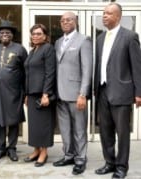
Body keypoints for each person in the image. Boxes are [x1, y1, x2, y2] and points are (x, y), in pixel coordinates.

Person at [94, 3, 141, 179]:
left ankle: (121, 167)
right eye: (103, 13)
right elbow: (99, 65)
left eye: (108, 13)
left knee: (122, 133)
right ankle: (109, 163)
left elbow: (137, 67)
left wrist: (139, 92)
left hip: (121, 92)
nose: (104, 16)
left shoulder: (130, 36)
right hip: (103, 91)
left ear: (118, 16)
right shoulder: (100, 38)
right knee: (105, 132)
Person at [53, 11, 92, 175]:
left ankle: (80, 158)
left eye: (68, 19)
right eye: (62, 20)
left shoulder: (83, 40)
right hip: (60, 94)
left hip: (76, 95)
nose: (65, 22)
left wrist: (83, 94)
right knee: (65, 128)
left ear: (75, 21)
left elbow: (87, 69)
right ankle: (69, 155)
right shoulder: (58, 42)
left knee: (79, 129)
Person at [0, 21, 28, 162]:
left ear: (12, 35)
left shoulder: (20, 49)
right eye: (2, 33)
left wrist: (25, 93)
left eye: (7, 33)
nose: (4, 35)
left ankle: (12, 148)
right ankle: (0, 148)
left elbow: (26, 72)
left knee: (13, 121)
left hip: (14, 92)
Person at [23, 24, 56, 167]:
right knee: (34, 126)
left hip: (42, 93)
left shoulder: (48, 49)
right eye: (33, 34)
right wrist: (26, 94)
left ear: (45, 36)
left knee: (44, 125)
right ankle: (36, 150)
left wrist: (46, 94)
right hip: (31, 93)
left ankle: (44, 152)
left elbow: (50, 72)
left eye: (39, 34)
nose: (35, 36)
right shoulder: (32, 51)